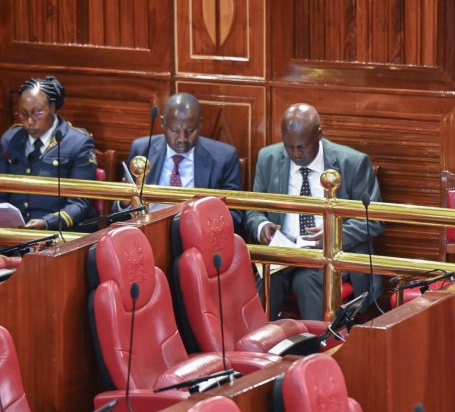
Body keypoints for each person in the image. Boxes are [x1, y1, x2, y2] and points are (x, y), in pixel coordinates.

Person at [245, 103, 383, 321]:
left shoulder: (353, 163)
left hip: (327, 255)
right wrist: (262, 226)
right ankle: (257, 349)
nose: (296, 154)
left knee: (307, 281)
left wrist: (332, 233)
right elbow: (254, 210)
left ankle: (315, 348)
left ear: (319, 134)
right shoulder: (268, 158)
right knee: (265, 281)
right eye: (289, 147)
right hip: (285, 253)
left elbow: (373, 220)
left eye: (302, 147)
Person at [120, 92, 242, 229]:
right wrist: (125, 202)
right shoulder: (142, 149)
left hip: (199, 234)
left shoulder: (224, 157)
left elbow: (235, 215)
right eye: (175, 130)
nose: (182, 139)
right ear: (162, 123)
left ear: (200, 124)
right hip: (150, 232)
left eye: (190, 130)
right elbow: (121, 211)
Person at [0, 76, 97, 230]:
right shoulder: (10, 139)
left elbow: (79, 203)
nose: (29, 121)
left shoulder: (78, 143)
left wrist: (47, 223)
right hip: (13, 230)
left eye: (37, 114)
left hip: (59, 233)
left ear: (53, 107)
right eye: (23, 114)